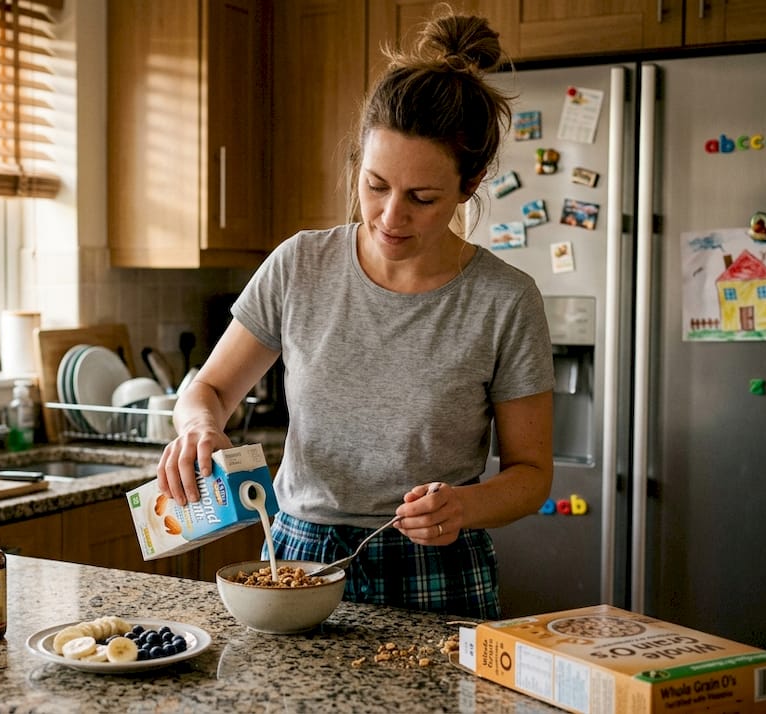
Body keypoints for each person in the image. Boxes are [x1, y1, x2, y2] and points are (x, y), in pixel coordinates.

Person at [156, 11, 554, 620]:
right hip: (297, 556)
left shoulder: (505, 299)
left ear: (468, 186)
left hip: (436, 567)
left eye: (423, 198)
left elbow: (532, 474)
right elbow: (206, 388)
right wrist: (199, 428)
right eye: (375, 185)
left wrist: (464, 507)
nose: (391, 216)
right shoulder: (300, 265)